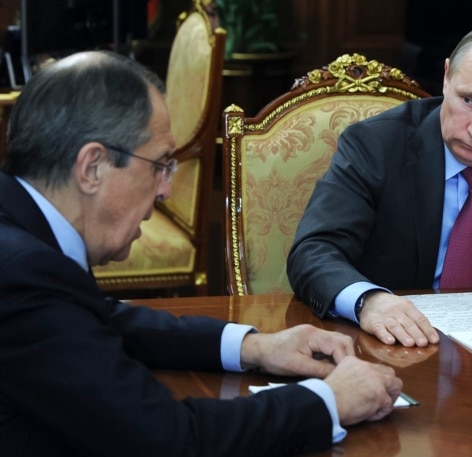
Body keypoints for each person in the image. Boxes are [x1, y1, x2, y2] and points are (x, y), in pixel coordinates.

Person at [0, 51, 402, 457]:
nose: (166, 189)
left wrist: (255, 347)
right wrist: (328, 400)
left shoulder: (23, 239)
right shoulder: (24, 273)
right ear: (92, 167)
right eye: (159, 164)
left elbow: (100, 320)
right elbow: (169, 439)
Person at [287, 23, 472, 348]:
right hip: (382, 346)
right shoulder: (376, 145)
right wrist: (369, 301)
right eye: (468, 100)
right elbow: (313, 252)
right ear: (447, 76)